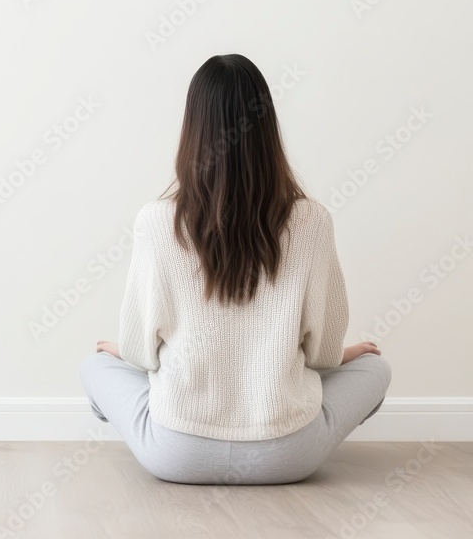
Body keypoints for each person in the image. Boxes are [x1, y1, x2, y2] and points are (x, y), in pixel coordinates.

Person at [79, 54, 391, 485]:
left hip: (176, 453)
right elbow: (321, 356)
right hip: (287, 455)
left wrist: (122, 350)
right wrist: (345, 353)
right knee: (376, 369)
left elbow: (139, 353)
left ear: (192, 129)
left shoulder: (155, 220)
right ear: (266, 128)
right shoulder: (312, 220)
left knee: (96, 366)